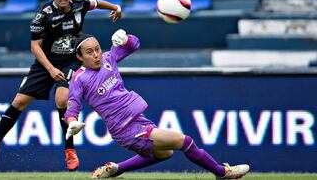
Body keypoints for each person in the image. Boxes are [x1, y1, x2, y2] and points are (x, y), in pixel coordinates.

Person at [0, 0, 122, 171]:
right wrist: (51, 69)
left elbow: (96, 2)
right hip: (45, 62)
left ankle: (69, 150)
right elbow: (35, 46)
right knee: (19, 102)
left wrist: (115, 7)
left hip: (70, 61)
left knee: (62, 100)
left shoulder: (79, 3)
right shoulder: (42, 15)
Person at [64, 29, 250, 179]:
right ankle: (222, 173)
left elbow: (134, 45)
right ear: (80, 57)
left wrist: (125, 39)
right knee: (184, 141)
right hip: (124, 128)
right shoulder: (79, 79)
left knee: (166, 153)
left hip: (137, 119)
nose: (96, 54)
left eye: (97, 49)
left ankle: (116, 169)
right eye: (90, 52)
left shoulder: (108, 59)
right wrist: (72, 122)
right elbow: (73, 105)